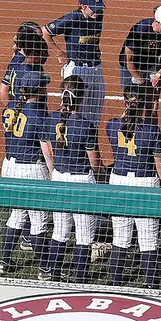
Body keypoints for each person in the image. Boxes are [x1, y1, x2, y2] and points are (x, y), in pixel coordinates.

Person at [104, 84, 161, 287]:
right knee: (148, 239)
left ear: (125, 102)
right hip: (145, 183)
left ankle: (116, 281)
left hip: (118, 181)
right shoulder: (152, 130)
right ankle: (151, 282)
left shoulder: (111, 125)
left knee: (120, 238)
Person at [41, 75, 103, 283]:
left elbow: (47, 151)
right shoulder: (86, 126)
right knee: (84, 236)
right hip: (82, 182)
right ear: (82, 97)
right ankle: (80, 278)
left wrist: (52, 172)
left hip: (59, 177)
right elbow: (94, 162)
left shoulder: (50, 119)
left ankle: (54, 274)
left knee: (60, 231)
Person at [0, 73, 55, 275]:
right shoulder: (40, 116)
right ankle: (45, 269)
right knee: (38, 219)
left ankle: (4, 262)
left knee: (18, 214)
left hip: (9, 166)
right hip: (31, 169)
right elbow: (47, 152)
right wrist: (52, 173)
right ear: (40, 91)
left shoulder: (9, 108)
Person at [42, 0, 106, 128]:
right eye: (93, 8)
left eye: (99, 8)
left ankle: (89, 141)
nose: (97, 11)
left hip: (96, 68)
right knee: (73, 111)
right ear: (82, 6)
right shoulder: (72, 18)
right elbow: (45, 32)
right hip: (76, 70)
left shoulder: (98, 15)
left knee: (95, 112)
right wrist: (59, 53)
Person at [119, 5, 161, 105]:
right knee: (132, 103)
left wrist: (159, 73)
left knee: (153, 101)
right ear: (156, 21)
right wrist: (142, 82)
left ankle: (150, 119)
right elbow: (128, 60)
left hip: (151, 64)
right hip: (132, 67)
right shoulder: (141, 30)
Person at [0, 21, 49, 105]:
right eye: (38, 37)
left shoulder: (20, 58)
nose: (42, 40)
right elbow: (2, 93)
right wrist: (16, 113)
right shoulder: (22, 64)